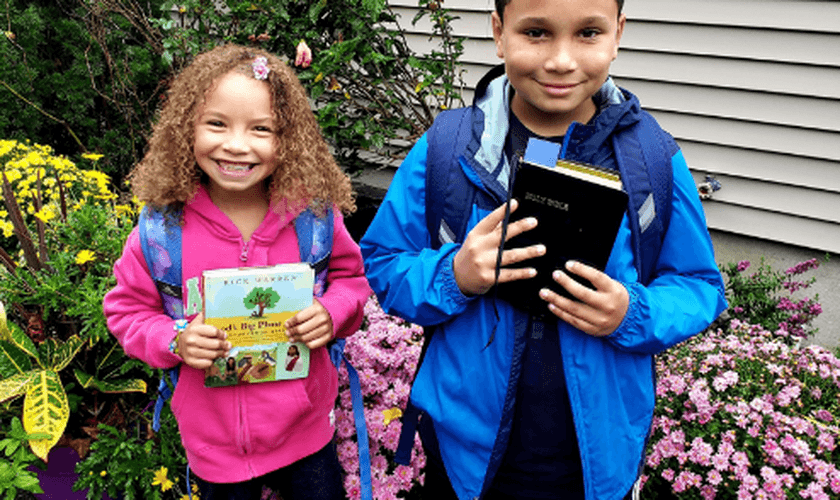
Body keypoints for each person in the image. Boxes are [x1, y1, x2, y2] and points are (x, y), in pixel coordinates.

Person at [359, 0, 727, 498]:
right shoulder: (447, 147)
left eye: (588, 33)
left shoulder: (652, 158)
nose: (560, 60)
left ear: (618, 33)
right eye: (535, 32)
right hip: (465, 459)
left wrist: (632, 313)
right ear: (498, 31)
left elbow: (698, 285)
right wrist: (455, 275)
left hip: (595, 459)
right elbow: (383, 262)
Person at [103, 44, 371, 500]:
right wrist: (173, 340)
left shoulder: (314, 220)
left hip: (305, 432)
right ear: (186, 128)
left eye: (261, 129)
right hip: (216, 445)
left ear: (288, 139)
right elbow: (127, 309)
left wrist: (332, 311)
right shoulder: (162, 231)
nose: (236, 145)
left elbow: (351, 281)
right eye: (217, 123)